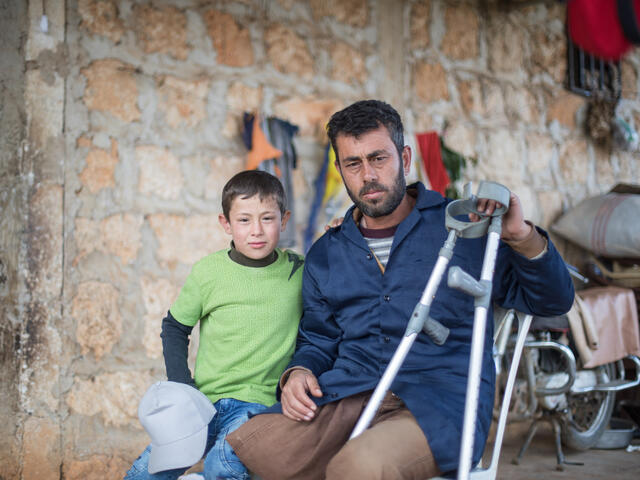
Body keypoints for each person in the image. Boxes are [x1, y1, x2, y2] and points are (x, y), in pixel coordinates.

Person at [226, 100, 575, 479]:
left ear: (405, 158)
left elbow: (554, 300)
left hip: (436, 403)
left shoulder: (464, 230)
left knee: (358, 468)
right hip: (348, 396)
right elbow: (319, 340)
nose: (368, 175)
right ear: (340, 169)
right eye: (353, 163)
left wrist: (521, 237)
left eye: (379, 158)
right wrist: (298, 372)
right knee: (228, 460)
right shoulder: (327, 252)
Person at [124, 170, 304, 480]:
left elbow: (336, 274)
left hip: (257, 406)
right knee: (148, 471)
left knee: (224, 464)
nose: (256, 231)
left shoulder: (300, 271)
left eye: (267, 218)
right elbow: (175, 327)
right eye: (244, 220)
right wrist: (182, 386)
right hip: (202, 402)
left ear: (284, 219)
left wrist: (338, 230)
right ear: (226, 224)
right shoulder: (209, 272)